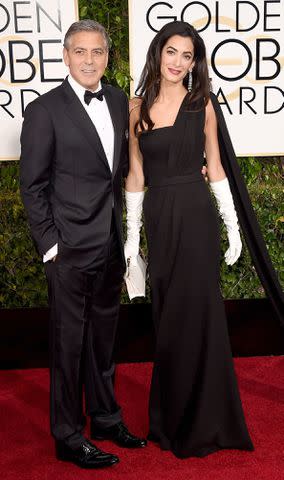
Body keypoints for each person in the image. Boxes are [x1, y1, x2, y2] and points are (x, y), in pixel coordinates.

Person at [124, 20, 283, 458]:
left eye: (187, 55)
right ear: (158, 53)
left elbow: (214, 167)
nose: (178, 62)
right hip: (159, 218)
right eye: (171, 52)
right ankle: (172, 417)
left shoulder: (204, 104)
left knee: (200, 313)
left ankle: (209, 419)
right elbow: (135, 176)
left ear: (196, 62)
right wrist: (130, 240)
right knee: (168, 317)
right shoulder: (136, 109)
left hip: (195, 216)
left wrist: (232, 225)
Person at [20, 19, 146, 470]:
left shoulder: (117, 100)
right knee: (68, 346)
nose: (89, 60)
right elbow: (32, 186)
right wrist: (51, 247)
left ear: (107, 58)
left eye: (97, 52)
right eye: (80, 52)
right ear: (66, 56)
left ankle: (107, 419)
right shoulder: (44, 110)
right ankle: (68, 436)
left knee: (103, 342)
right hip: (68, 250)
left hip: (110, 244)